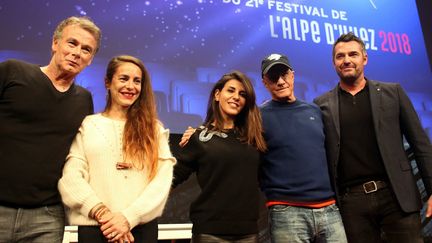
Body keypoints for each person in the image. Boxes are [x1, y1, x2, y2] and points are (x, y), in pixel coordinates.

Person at [314, 32, 432, 243]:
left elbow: (420, 144)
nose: (347, 60)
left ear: (364, 58)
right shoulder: (321, 104)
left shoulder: (393, 92)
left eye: (353, 54)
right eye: (340, 56)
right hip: (352, 204)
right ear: (333, 63)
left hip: (396, 196)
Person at [0, 16, 100, 242]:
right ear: (55, 44)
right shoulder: (12, 72)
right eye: (72, 43)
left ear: (90, 59)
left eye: (86, 49)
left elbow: (83, 153)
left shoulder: (84, 100)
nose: (77, 52)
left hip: (46, 217)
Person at [58, 55, 176, 243]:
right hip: (95, 229)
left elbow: (162, 180)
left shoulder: (154, 129)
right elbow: (71, 177)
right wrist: (104, 215)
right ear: (107, 82)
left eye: (137, 81)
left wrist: (129, 218)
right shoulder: (89, 125)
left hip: (141, 231)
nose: (130, 86)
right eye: (123, 79)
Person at [258, 54, 347, 242]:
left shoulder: (314, 110)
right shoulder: (257, 117)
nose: (280, 81)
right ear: (265, 82)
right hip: (286, 212)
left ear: (293, 75)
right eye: (273, 77)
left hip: (329, 209)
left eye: (284, 74)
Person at [173, 71, 267, 243]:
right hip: (210, 234)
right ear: (217, 94)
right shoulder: (199, 137)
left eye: (242, 94)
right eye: (230, 90)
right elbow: (172, 176)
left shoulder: (255, 138)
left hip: (248, 233)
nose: (236, 97)